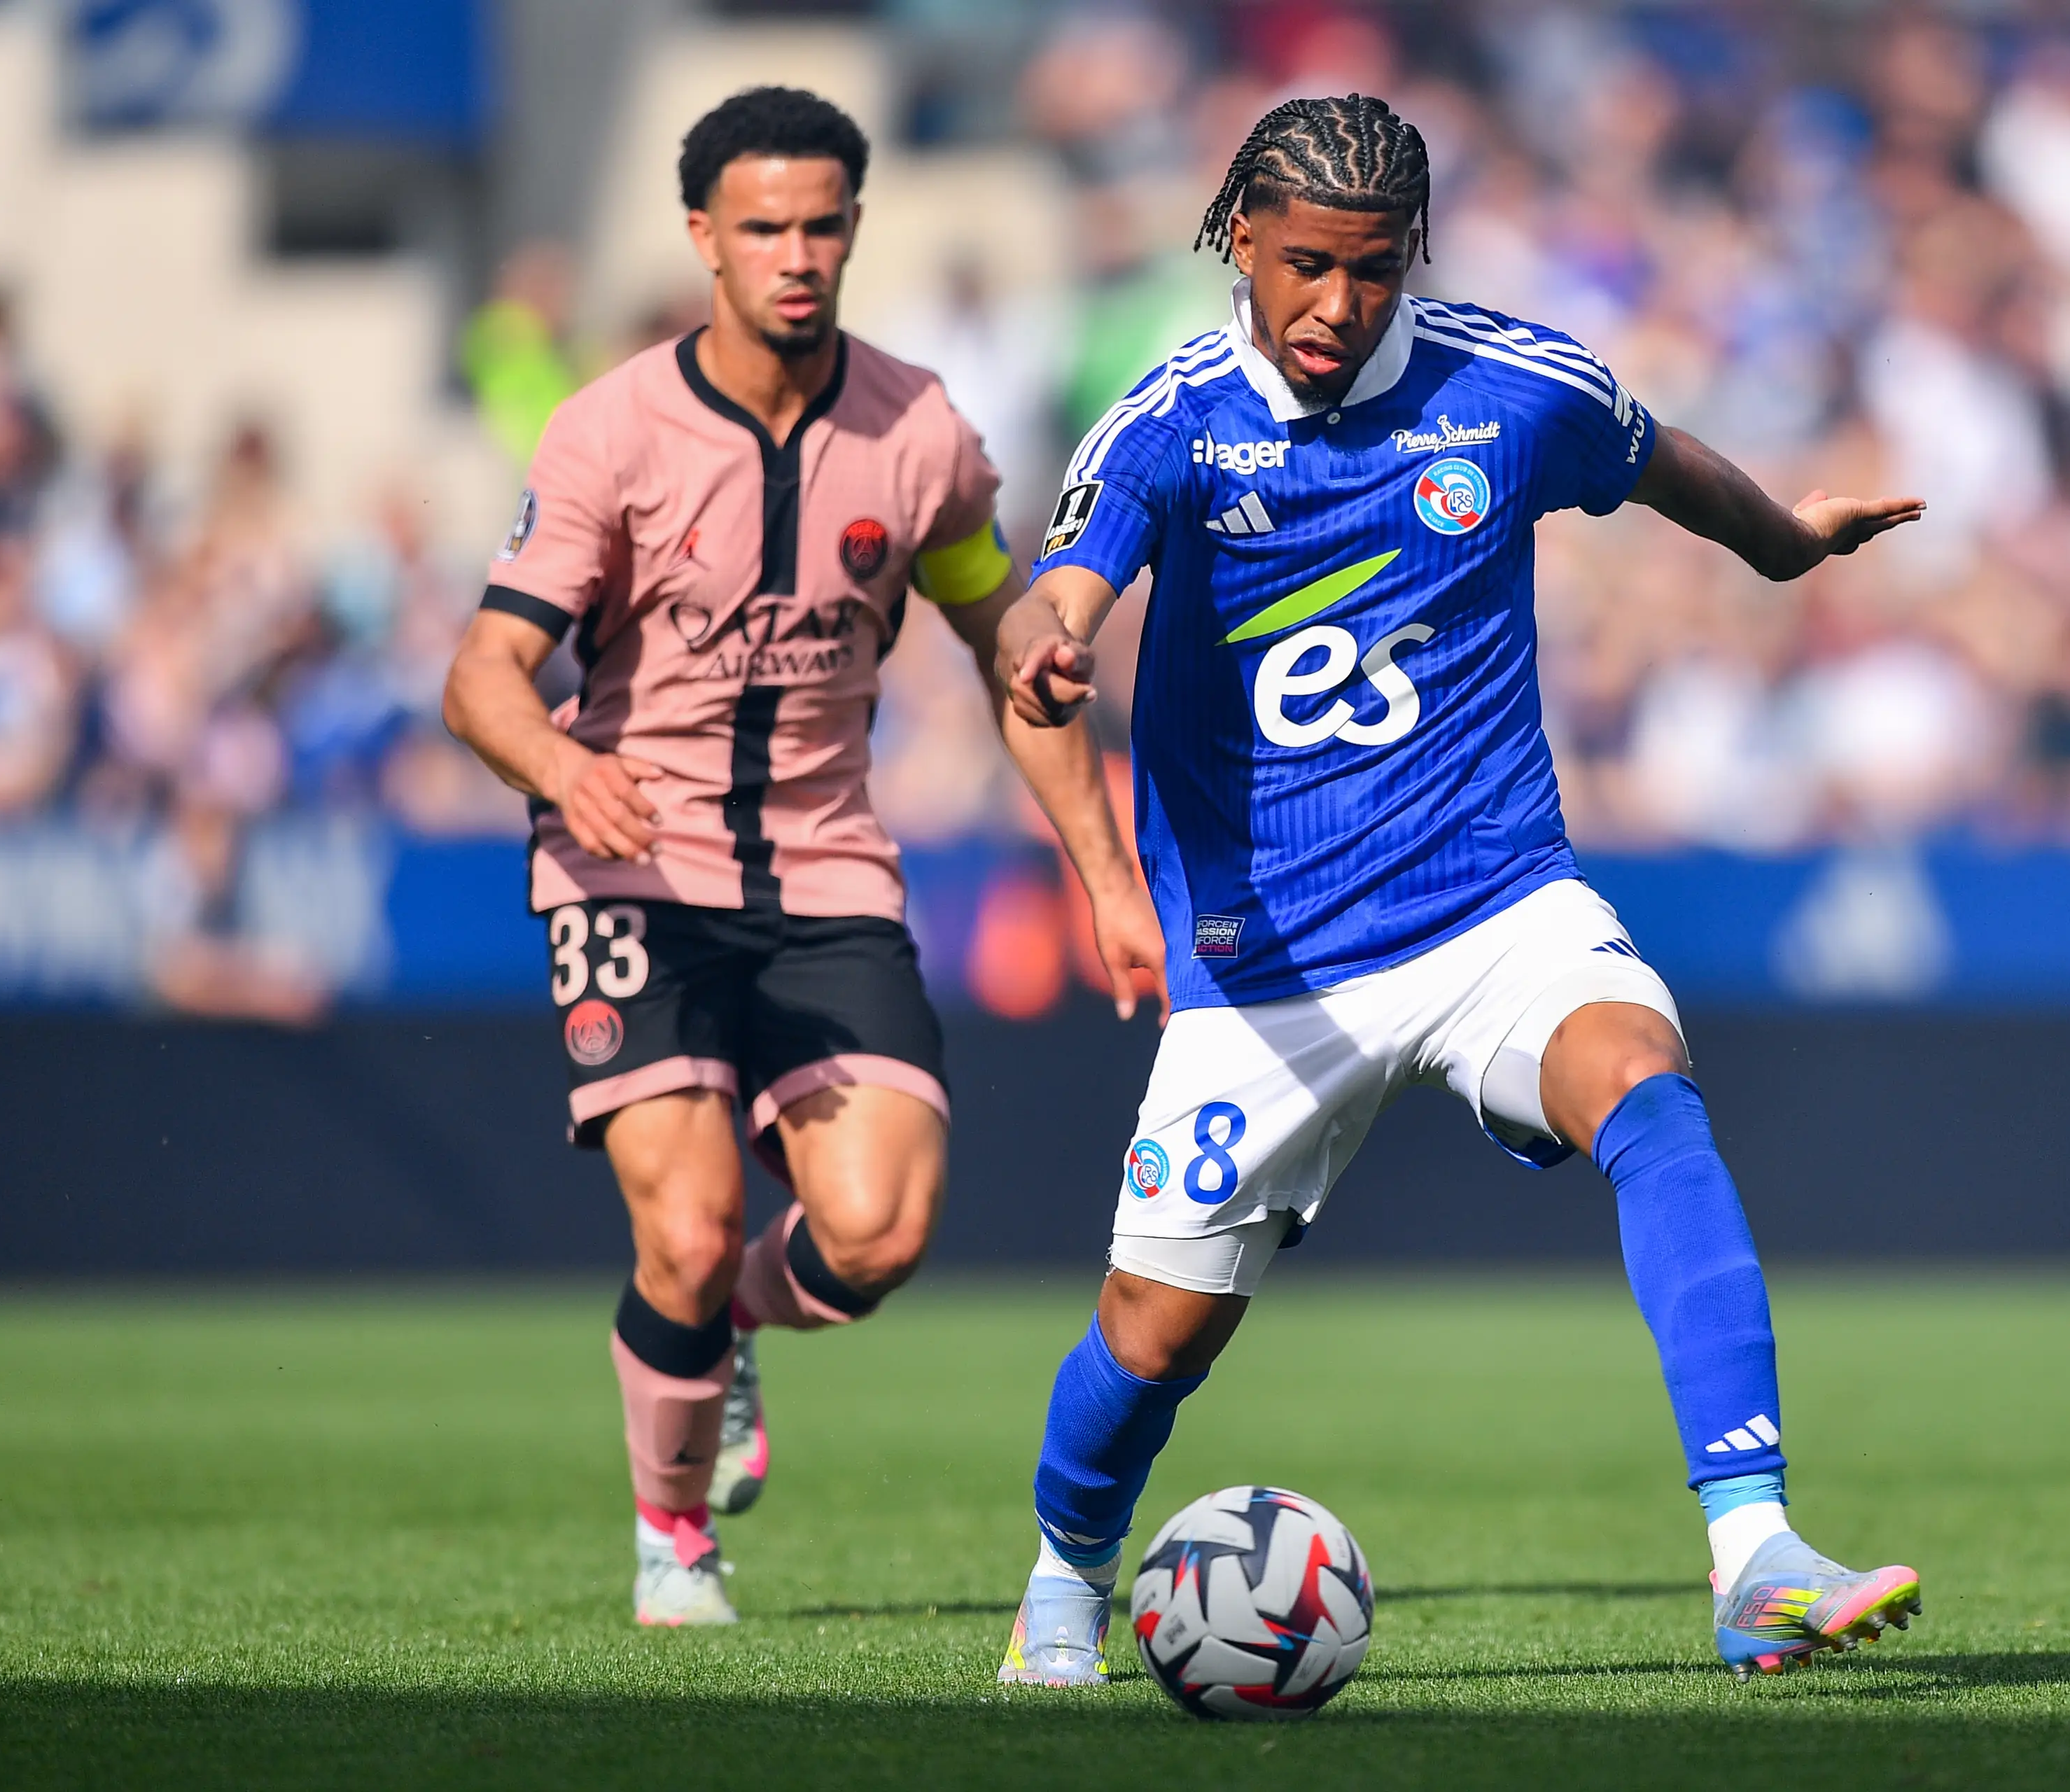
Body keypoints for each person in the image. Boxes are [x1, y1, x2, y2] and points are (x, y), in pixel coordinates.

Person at [992, 94, 1926, 1687]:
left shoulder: (1512, 386)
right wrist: (1053, 644)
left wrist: (1777, 543)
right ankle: (1065, 1579)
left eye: (1370, 271)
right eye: (1304, 266)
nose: (1335, 306)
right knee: (1154, 1337)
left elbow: (1657, 462)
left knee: (1646, 1083)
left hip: (1494, 898)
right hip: (1263, 961)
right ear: (1239, 241)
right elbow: (1055, 601)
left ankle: (1755, 1548)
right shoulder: (1166, 421)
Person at [442, 87, 1161, 1628]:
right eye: (763, 226)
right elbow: (481, 680)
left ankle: (721, 1331)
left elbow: (1002, 632)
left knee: (881, 1229)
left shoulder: (922, 436)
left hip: (828, 873)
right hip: (631, 867)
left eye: (823, 224)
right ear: (704, 237)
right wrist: (569, 764)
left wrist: (1106, 869)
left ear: (853, 230)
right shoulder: (609, 432)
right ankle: (673, 1531)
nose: (797, 254)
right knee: (687, 1225)